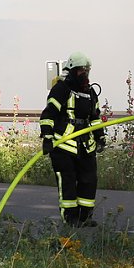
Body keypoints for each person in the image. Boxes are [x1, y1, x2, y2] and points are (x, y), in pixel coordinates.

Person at [39, 51, 106, 227]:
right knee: (68, 183)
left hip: (85, 145)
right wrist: (47, 137)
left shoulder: (90, 92)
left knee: (89, 180)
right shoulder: (62, 89)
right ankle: (71, 219)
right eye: (81, 71)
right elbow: (48, 114)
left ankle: (85, 217)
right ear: (72, 70)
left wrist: (100, 136)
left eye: (87, 70)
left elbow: (95, 117)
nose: (84, 74)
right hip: (64, 145)